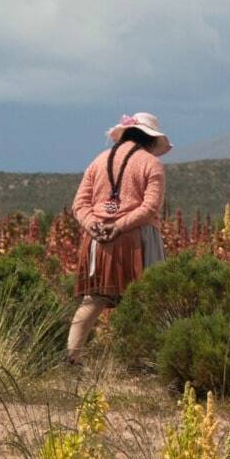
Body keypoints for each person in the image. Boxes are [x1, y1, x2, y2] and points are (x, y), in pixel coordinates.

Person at [67, 112, 171, 363]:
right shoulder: (151, 164)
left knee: (94, 298)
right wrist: (122, 225)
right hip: (138, 238)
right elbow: (150, 208)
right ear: (150, 140)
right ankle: (141, 360)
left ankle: (72, 356)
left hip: (97, 239)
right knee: (144, 297)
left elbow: (79, 204)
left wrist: (94, 225)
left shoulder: (98, 161)